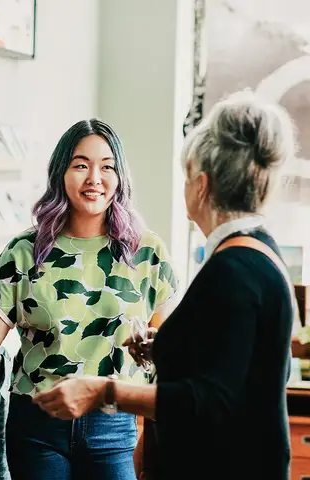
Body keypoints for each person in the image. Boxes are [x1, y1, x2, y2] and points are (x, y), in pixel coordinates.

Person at [34, 91, 297, 480]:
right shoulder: (260, 252)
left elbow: (208, 402)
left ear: (202, 185)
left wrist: (104, 391)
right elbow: (237, 361)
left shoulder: (233, 271)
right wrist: (168, 348)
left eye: (187, 177)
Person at [0, 118, 178, 479]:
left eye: (106, 167)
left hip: (113, 424)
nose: (94, 178)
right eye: (81, 165)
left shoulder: (146, 252)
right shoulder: (24, 251)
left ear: (120, 176)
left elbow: (170, 345)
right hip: (37, 424)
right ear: (61, 173)